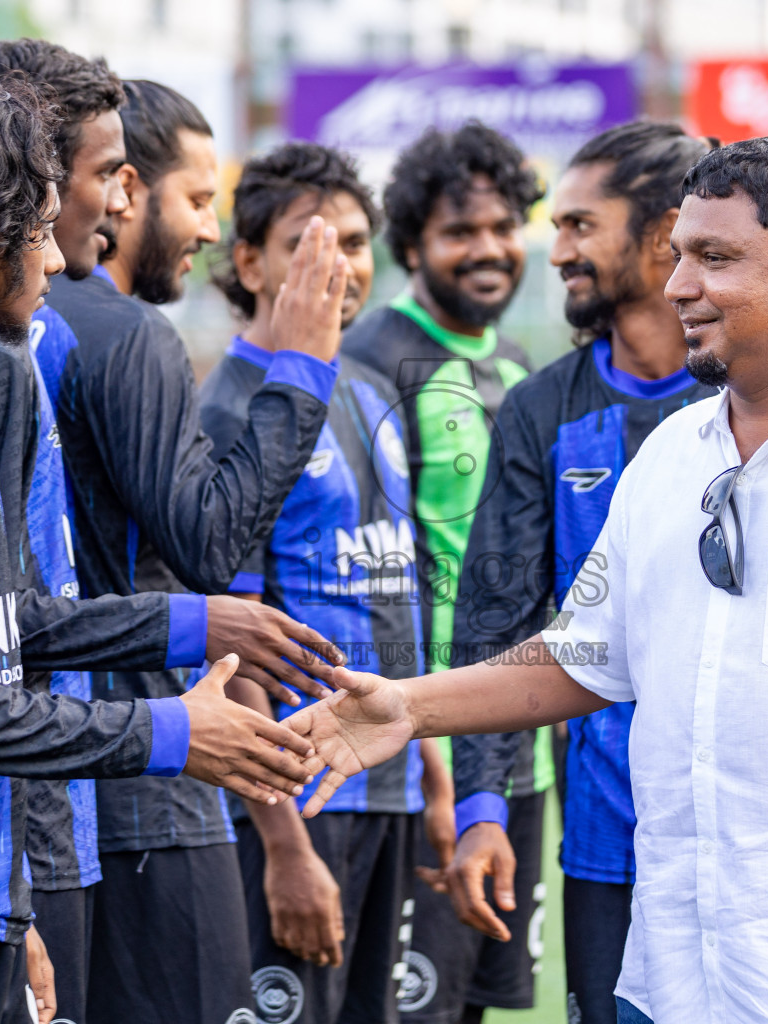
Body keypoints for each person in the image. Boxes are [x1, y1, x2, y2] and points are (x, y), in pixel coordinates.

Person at [285, 135, 768, 1024]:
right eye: (679, 256)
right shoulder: (672, 456)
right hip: (674, 978)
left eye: (715, 258)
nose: (678, 286)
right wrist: (409, 707)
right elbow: (582, 656)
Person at [0, 75, 318, 1024]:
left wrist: (194, 622)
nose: (62, 252)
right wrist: (171, 736)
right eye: (38, 228)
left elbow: (10, 623)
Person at [0, 42, 343, 1024]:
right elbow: (209, 543)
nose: (204, 228)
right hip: (132, 782)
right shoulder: (111, 334)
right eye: (193, 197)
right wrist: (300, 372)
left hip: (66, 776)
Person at [444, 120, 714, 1024]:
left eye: (579, 225)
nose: (554, 250)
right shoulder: (540, 411)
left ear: (666, 230)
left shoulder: (753, 397)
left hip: (753, 839)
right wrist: (484, 805)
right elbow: (497, 618)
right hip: (605, 838)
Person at [200, 139, 453, 1024]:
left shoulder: (372, 389)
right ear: (248, 262)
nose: (338, 264)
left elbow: (400, 591)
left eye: (352, 241)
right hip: (300, 794)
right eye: (309, 243)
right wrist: (283, 844)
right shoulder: (230, 407)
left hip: (385, 780)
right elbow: (226, 649)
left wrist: (433, 765)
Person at [339, 121, 544, 1024]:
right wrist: (433, 762)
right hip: (428, 748)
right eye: (462, 232)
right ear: (414, 243)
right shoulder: (376, 362)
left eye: (505, 226)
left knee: (474, 1002)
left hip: (517, 749)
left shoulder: (515, 368)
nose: (490, 249)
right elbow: (380, 581)